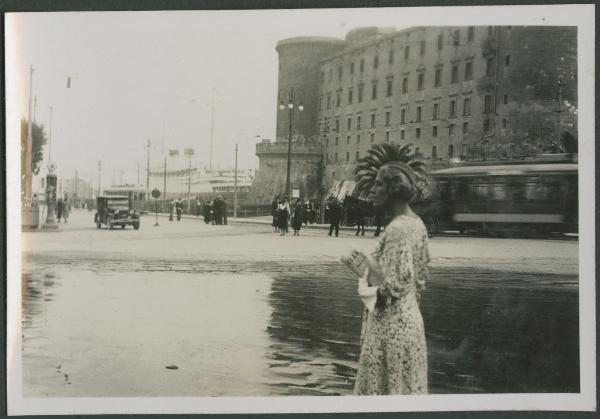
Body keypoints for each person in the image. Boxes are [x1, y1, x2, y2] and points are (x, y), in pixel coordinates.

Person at [342, 161, 430, 395]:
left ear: (394, 190)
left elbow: (388, 290)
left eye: (379, 184)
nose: (372, 189)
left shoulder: (396, 229)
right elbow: (418, 279)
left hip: (389, 331)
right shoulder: (417, 224)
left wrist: (365, 278)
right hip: (411, 324)